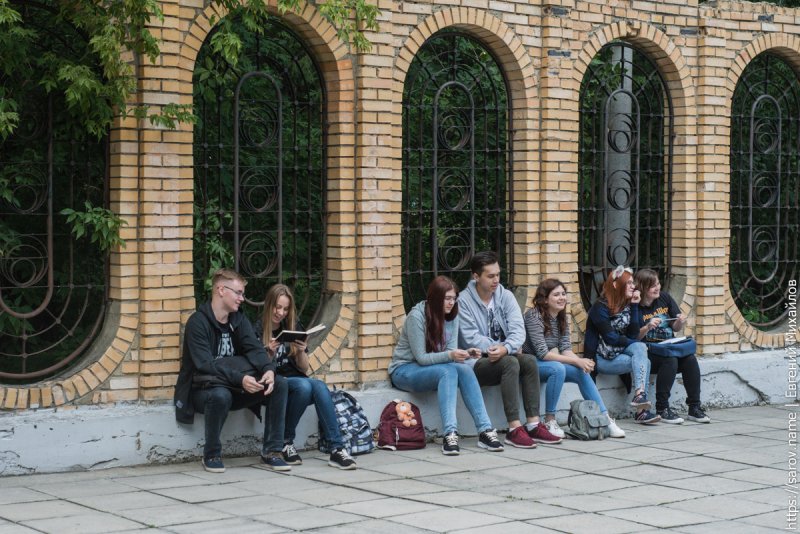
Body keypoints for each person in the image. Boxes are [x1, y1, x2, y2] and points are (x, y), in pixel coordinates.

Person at [174, 268, 290, 473]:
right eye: (238, 293)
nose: (241, 298)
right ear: (221, 290)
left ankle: (272, 451)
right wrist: (241, 379)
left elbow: (254, 349)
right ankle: (211, 454)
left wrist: (268, 369)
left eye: (242, 294)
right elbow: (206, 366)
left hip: (236, 386)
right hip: (204, 389)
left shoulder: (238, 320)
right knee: (220, 395)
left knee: (279, 383)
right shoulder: (198, 323)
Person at [389, 276, 504, 455]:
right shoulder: (416, 316)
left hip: (434, 368)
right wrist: (451, 355)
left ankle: (485, 430)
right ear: (435, 298)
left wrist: (465, 353)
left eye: (454, 298)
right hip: (405, 369)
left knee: (464, 368)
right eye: (447, 298)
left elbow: (450, 353)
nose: (451, 303)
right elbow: (421, 358)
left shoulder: (452, 316)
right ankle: (450, 433)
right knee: (448, 372)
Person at [458, 251, 562, 448]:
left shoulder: (505, 296)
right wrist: (497, 349)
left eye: (498, 274)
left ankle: (533, 425)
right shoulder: (463, 301)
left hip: (505, 354)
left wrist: (506, 347)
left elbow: (518, 330)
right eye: (490, 276)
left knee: (529, 361)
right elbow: (469, 336)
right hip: (476, 362)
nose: (496, 280)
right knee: (510, 362)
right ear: (476, 276)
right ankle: (514, 429)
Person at [258, 284, 357, 469]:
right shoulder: (257, 329)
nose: (281, 313)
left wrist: (301, 351)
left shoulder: (292, 326)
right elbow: (258, 368)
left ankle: (337, 449)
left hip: (294, 380)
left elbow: (304, 368)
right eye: (277, 307)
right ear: (269, 304)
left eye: (285, 309)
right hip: (274, 383)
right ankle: (286, 441)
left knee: (318, 385)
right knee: (304, 386)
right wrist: (269, 353)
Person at [522, 279, 626, 438]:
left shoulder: (561, 316)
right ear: (545, 299)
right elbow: (543, 353)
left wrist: (581, 363)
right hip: (529, 363)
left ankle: (605, 418)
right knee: (558, 368)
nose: (562, 298)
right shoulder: (533, 316)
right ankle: (550, 420)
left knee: (580, 370)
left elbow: (565, 349)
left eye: (563, 294)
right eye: (556, 295)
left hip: (545, 363)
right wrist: (577, 360)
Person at [584, 265, 661, 424]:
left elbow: (633, 334)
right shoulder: (600, 307)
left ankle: (640, 399)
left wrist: (634, 306)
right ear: (616, 285)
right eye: (629, 283)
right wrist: (636, 343)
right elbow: (611, 338)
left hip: (620, 354)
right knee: (641, 351)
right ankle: (641, 409)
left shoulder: (628, 305)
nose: (634, 287)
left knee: (643, 355)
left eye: (633, 283)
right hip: (602, 358)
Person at [633, 269, 710, 424]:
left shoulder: (664, 298)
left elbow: (675, 327)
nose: (657, 288)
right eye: (652, 286)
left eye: (658, 284)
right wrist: (647, 327)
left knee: (690, 359)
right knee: (671, 360)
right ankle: (662, 408)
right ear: (643, 288)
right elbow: (634, 337)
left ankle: (694, 407)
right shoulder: (635, 307)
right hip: (649, 352)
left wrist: (680, 321)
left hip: (669, 347)